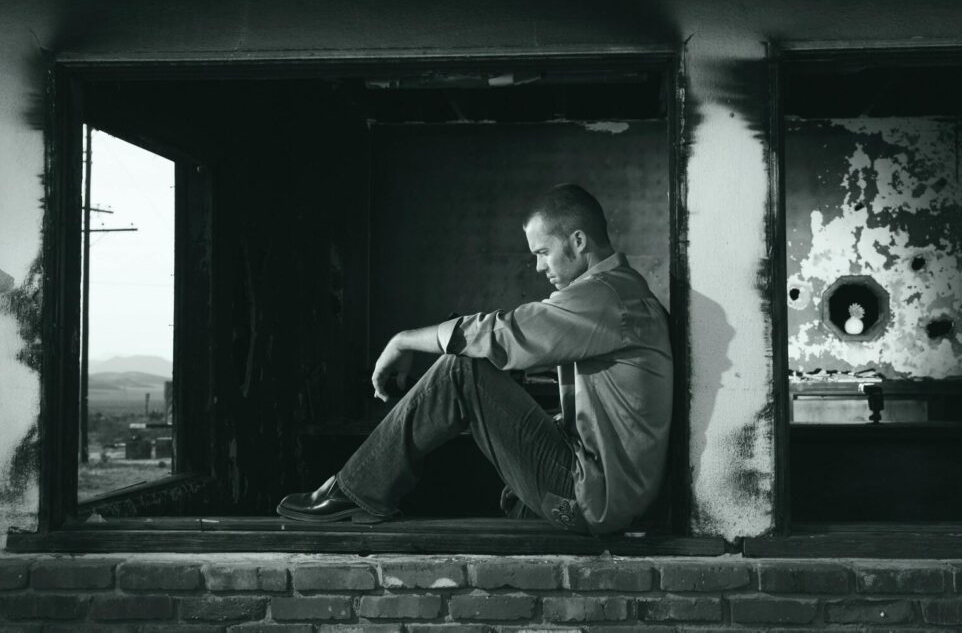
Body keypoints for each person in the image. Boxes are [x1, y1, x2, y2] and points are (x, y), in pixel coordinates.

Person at [277, 184, 673, 534]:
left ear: (579, 241)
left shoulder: (606, 298)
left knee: (462, 367)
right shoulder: (621, 293)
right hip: (609, 496)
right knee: (477, 367)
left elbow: (505, 333)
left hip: (594, 502)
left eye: (543, 252)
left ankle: (354, 491)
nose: (538, 267)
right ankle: (363, 490)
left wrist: (402, 341)